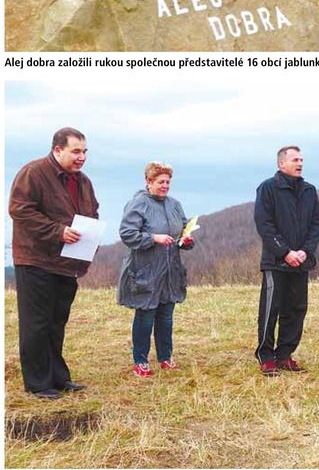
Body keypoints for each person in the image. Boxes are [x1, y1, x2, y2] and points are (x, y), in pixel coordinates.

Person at [8, 127, 99, 400]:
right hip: (35, 260)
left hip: (67, 263)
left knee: (56, 322)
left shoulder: (83, 181)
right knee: (36, 323)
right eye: (76, 151)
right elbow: (19, 209)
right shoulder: (33, 172)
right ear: (57, 150)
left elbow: (92, 211)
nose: (81, 157)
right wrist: (57, 231)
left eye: (84, 151)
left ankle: (58, 378)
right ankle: (37, 383)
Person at [117, 162, 195, 378]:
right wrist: (153, 238)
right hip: (146, 271)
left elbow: (182, 229)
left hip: (171, 271)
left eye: (168, 182)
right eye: (161, 182)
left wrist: (186, 240)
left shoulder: (174, 205)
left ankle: (165, 357)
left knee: (166, 316)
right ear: (149, 182)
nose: (165, 186)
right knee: (146, 316)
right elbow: (127, 233)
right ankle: (140, 361)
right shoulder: (138, 204)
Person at [254, 146, 319, 376]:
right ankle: (266, 356)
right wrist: (285, 252)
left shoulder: (309, 191)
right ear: (281, 164)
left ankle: (285, 355)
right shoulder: (268, 189)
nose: (300, 163)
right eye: (295, 159)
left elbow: (316, 224)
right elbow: (264, 224)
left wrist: (305, 251)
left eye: (302, 159)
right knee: (271, 309)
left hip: (301, 261)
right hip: (276, 261)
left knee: (296, 309)